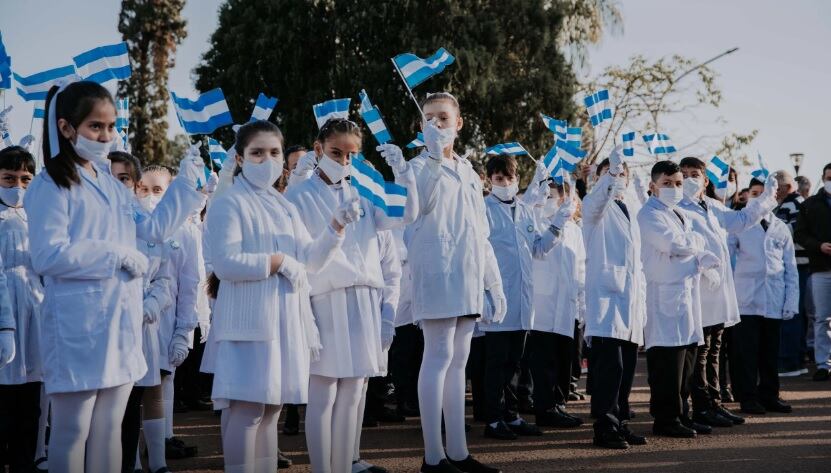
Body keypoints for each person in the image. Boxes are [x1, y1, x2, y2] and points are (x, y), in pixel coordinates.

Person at [24, 80, 204, 473]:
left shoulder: (113, 186)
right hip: (78, 325)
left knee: (108, 430)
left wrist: (186, 187)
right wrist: (114, 255)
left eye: (109, 127)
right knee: (72, 432)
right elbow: (48, 255)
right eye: (95, 127)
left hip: (121, 325)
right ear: (66, 127)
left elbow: (153, 230)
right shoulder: (50, 184)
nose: (105, 136)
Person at [204, 119, 353, 472]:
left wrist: (336, 228)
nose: (267, 160)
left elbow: (310, 260)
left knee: (271, 410)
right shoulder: (229, 202)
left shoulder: (283, 205)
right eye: (257, 153)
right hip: (248, 322)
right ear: (239, 159)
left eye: (273, 152)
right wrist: (276, 262)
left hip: (284, 320)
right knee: (247, 411)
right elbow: (225, 263)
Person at [285, 117, 417, 473]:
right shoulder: (297, 195)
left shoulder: (365, 188)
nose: (344, 161)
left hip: (364, 301)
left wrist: (402, 174)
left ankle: (345, 465)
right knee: (324, 392)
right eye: (336, 152)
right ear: (318, 150)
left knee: (355, 392)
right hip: (323, 300)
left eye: (351, 155)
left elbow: (404, 214)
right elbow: (300, 258)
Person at [407, 92, 503, 473]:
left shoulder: (467, 169)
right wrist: (431, 158)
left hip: (466, 275)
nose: (436, 124)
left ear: (458, 123)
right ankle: (433, 457)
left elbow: (480, 231)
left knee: (458, 361)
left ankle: (459, 452)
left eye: (443, 118)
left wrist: (492, 280)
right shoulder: (417, 167)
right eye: (429, 118)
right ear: (420, 126)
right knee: (438, 356)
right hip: (435, 272)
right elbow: (418, 208)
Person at [677, 157, 778, 428]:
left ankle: (715, 403)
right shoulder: (676, 208)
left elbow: (742, 220)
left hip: (718, 288)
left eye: (694, 174)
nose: (688, 179)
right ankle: (700, 407)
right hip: (697, 286)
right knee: (701, 350)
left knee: (714, 348)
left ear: (705, 180)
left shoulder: (713, 206)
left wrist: (766, 198)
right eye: (683, 174)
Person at [478, 154, 571, 440]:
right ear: (489, 181)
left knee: (515, 363)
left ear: (517, 178)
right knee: (496, 363)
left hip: (523, 302)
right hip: (497, 300)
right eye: (499, 179)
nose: (505, 183)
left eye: (509, 178)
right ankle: (493, 419)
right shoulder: (484, 210)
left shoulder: (527, 211)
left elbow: (540, 249)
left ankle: (511, 414)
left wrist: (558, 223)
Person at [108, 152, 180, 473]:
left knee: (145, 393)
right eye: (111, 177)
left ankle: (149, 463)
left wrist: (150, 305)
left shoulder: (148, 226)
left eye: (124, 179)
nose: (118, 185)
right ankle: (128, 463)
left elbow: (165, 277)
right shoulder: (96, 221)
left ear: (134, 185)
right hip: (110, 325)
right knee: (114, 404)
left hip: (146, 324)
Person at [638, 160, 718, 439]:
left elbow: (687, 247)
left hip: (685, 297)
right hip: (664, 297)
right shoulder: (649, 214)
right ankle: (665, 419)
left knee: (686, 362)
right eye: (667, 184)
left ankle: (682, 414)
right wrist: (695, 246)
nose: (674, 188)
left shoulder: (677, 214)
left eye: (678, 183)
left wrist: (694, 250)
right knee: (667, 366)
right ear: (653, 186)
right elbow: (672, 245)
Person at [581, 147, 646, 449]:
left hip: (630, 299)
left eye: (623, 174)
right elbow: (596, 202)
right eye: (613, 173)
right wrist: (610, 176)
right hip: (607, 297)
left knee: (627, 366)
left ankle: (619, 421)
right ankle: (604, 425)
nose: (620, 178)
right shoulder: (595, 207)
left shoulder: (631, 210)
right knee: (611, 367)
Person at [140, 164, 203, 461]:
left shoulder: (187, 232)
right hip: (135, 323)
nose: (150, 196)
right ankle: (133, 458)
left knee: (164, 382)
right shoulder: (132, 225)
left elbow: (190, 285)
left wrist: (184, 332)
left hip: (166, 325)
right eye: (144, 189)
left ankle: (162, 444)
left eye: (157, 190)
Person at [729, 178, 799, 414]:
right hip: (745, 298)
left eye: (764, 193)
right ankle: (747, 397)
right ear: (748, 196)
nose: (759, 198)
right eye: (755, 193)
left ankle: (769, 395)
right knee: (746, 353)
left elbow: (791, 268)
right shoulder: (739, 225)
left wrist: (791, 301)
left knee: (770, 353)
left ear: (774, 197)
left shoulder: (781, 227)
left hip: (774, 298)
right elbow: (728, 262)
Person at [528, 179, 585, 428]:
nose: (553, 199)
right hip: (544, 304)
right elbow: (539, 251)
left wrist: (581, 300)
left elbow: (581, 265)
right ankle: (545, 408)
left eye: (557, 195)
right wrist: (557, 222)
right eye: (548, 195)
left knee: (564, 360)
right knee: (544, 361)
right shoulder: (537, 221)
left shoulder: (574, 228)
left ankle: (558, 404)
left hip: (567, 303)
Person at [0, 145, 44, 473]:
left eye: (25, 179)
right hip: (6, 315)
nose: (18, 187)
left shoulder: (39, 218)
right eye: (9, 179)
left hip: (35, 314)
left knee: (30, 403)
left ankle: (25, 461)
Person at [794, 163, 831, 381]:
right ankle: (823, 363)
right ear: (823, 177)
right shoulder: (809, 205)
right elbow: (800, 234)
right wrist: (819, 246)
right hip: (820, 269)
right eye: (829, 177)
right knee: (821, 318)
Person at [772, 170, 811, 377]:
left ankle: (791, 362)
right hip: (793, 265)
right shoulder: (790, 203)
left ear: (786, 187)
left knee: (791, 314)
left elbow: (787, 233)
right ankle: (793, 359)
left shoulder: (793, 204)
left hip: (796, 264)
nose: (774, 192)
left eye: (777, 188)